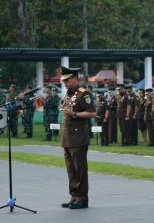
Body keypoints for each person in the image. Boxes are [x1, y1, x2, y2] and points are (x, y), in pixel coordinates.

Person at [60, 66, 96, 210]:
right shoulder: (69, 94)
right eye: (63, 80)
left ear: (75, 78)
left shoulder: (84, 93)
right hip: (68, 137)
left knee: (79, 169)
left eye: (67, 80)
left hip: (78, 137)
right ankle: (74, 196)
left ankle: (82, 199)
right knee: (71, 169)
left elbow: (92, 113)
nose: (65, 83)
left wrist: (74, 114)